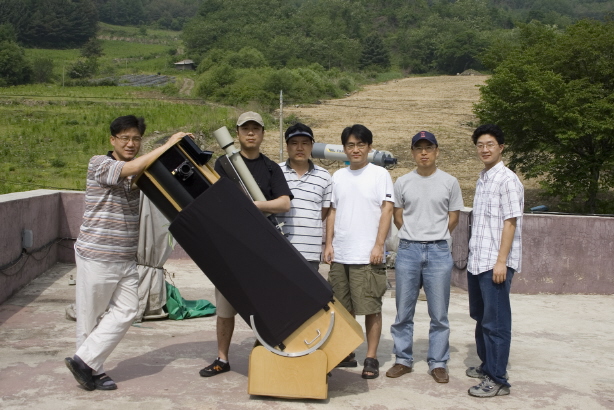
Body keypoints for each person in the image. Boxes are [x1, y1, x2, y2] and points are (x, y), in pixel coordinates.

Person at [65, 115, 189, 391]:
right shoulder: (100, 164)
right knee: (90, 316)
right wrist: (168, 144)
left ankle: (84, 362)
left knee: (128, 310)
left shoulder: (136, 172)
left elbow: (152, 172)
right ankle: (94, 371)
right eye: (125, 138)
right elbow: (130, 167)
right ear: (113, 140)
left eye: (136, 139)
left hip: (125, 256)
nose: (131, 143)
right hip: (97, 255)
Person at [200, 111, 292, 377]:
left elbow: (284, 203)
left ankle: (263, 356)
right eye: (245, 129)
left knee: (264, 306)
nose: (251, 133)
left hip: (262, 247)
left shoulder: (271, 168)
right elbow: (214, 199)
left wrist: (254, 206)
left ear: (262, 133)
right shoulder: (223, 165)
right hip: (231, 247)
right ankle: (222, 358)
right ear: (237, 134)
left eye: (255, 129)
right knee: (225, 307)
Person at [386, 131, 463, 383]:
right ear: (412, 153)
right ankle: (403, 359)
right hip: (408, 250)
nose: (423, 153)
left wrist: (435, 235)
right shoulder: (403, 182)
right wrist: (414, 234)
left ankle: (438, 362)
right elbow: (398, 215)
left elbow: (454, 217)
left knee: (439, 313)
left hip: (438, 251)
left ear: (436, 151)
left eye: (428, 148)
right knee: (403, 311)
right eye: (418, 148)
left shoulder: (449, 182)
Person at [323, 124, 394, 378]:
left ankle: (371, 357)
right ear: (344, 149)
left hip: (367, 255)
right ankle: (347, 351)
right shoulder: (338, 176)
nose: (356, 149)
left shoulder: (379, 174)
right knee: (343, 308)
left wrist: (379, 245)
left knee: (371, 307)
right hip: (341, 254)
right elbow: (332, 211)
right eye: (350, 145)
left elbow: (387, 210)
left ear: (369, 147)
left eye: (360, 144)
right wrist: (328, 244)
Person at [466, 124, 523, 397]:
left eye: (490, 144)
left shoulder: (508, 180)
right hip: (477, 261)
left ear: (501, 147)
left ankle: (497, 379)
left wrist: (502, 261)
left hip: (494, 264)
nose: (485, 149)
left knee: (496, 323)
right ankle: (487, 365)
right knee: (481, 317)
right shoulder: (483, 178)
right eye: (480, 145)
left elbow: (510, 222)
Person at [277, 123, 332, 272]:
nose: (300, 148)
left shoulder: (324, 176)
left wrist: (328, 245)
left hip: (310, 252)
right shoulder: (275, 172)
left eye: (305, 143)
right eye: (294, 143)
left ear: (312, 146)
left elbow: (323, 212)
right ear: (287, 146)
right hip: (280, 250)